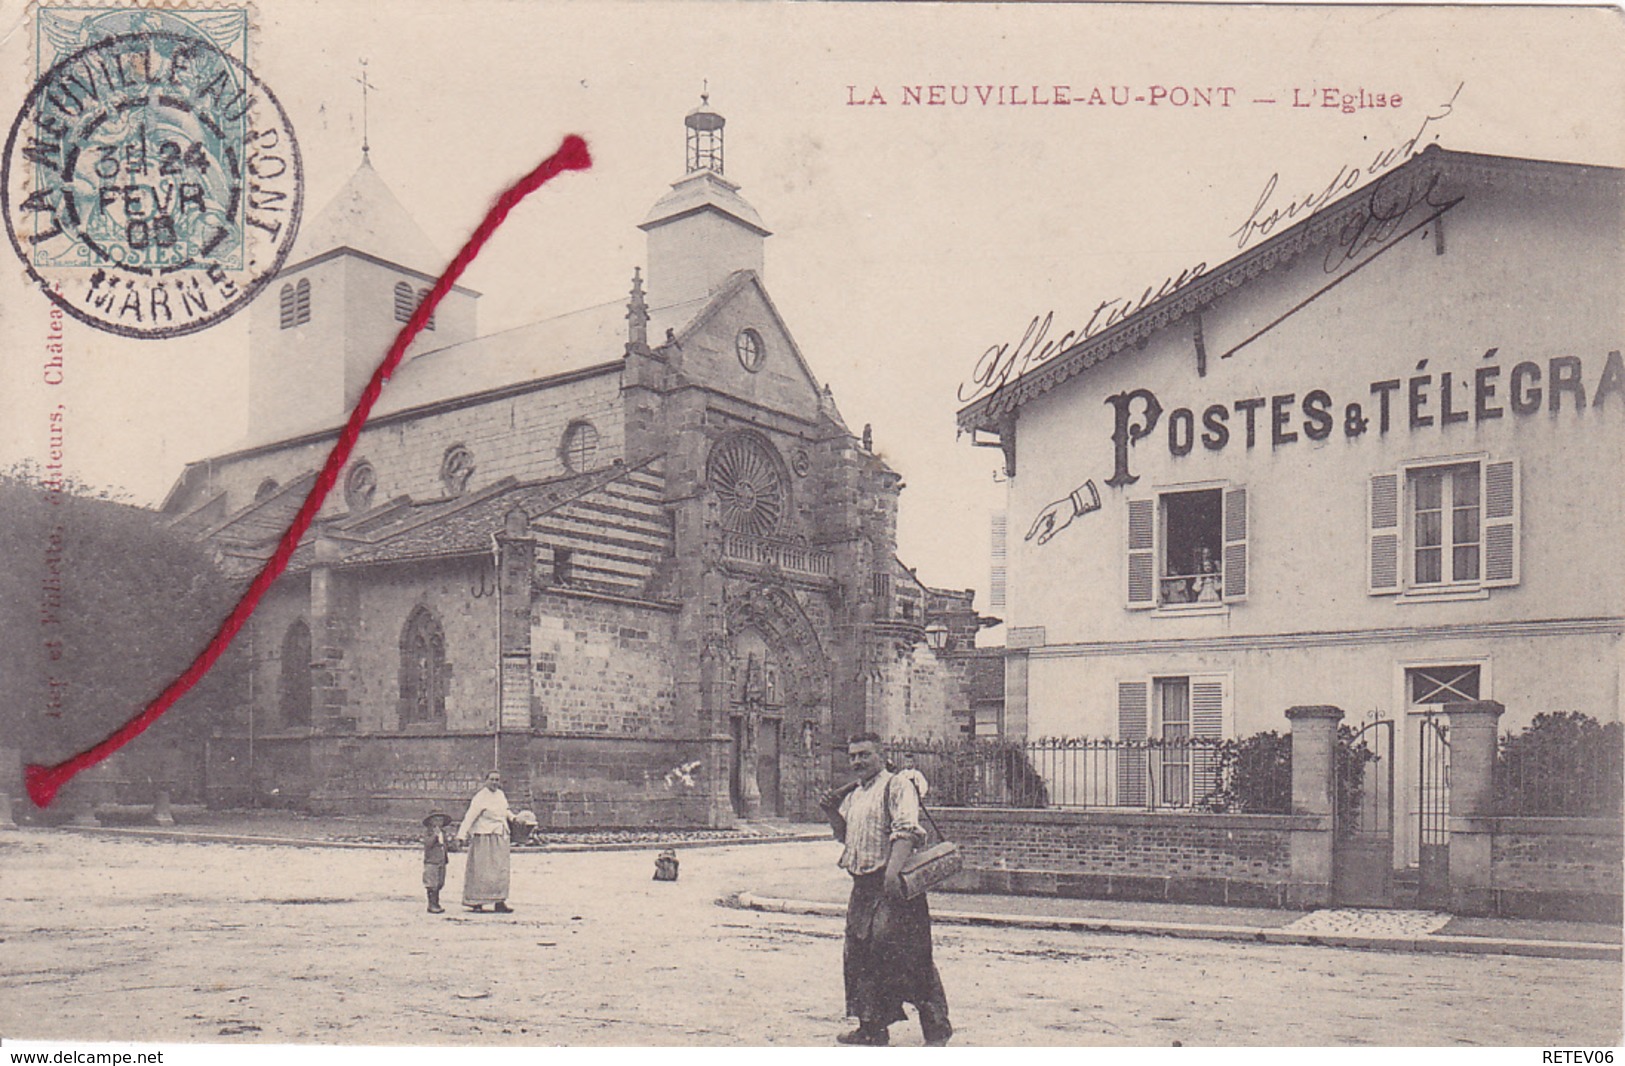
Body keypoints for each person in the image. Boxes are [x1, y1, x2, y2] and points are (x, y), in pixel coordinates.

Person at [819, 733, 952, 1047]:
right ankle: (872, 1028)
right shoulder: (855, 794)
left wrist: (892, 875)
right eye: (852, 756)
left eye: (864, 754)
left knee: (910, 957)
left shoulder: (897, 786)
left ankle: (936, 1029)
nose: (857, 762)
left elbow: (906, 830)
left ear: (881, 755)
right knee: (860, 956)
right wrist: (830, 812)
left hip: (892, 885)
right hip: (862, 885)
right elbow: (845, 836)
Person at [455, 769, 516, 913]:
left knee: (500, 870)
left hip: (500, 836)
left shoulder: (500, 795)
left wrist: (514, 818)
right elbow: (469, 817)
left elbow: (505, 811)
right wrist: (461, 836)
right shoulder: (480, 797)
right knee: (482, 870)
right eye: (492, 779)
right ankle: (477, 902)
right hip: (484, 837)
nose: (495, 782)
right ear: (486, 781)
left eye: (497, 780)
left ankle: (499, 901)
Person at [420, 811, 452, 914]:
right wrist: (435, 836)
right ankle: (432, 904)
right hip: (431, 861)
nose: (439, 822)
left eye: (441, 820)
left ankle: (436, 903)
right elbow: (427, 844)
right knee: (431, 883)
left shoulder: (443, 833)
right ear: (430, 821)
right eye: (436, 820)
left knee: (440, 883)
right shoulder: (428, 833)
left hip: (442, 861)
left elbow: (447, 846)